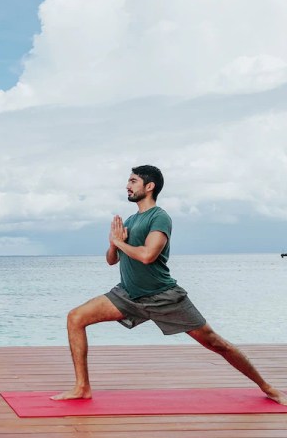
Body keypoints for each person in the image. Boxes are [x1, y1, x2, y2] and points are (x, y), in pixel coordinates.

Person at [52, 166, 286, 404]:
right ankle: (82, 387)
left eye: (133, 181)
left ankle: (268, 387)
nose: (127, 186)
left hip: (163, 296)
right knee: (75, 318)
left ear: (149, 186)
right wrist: (113, 244)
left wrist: (120, 243)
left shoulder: (159, 217)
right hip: (128, 295)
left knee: (215, 343)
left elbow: (148, 255)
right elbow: (112, 260)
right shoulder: (131, 220)